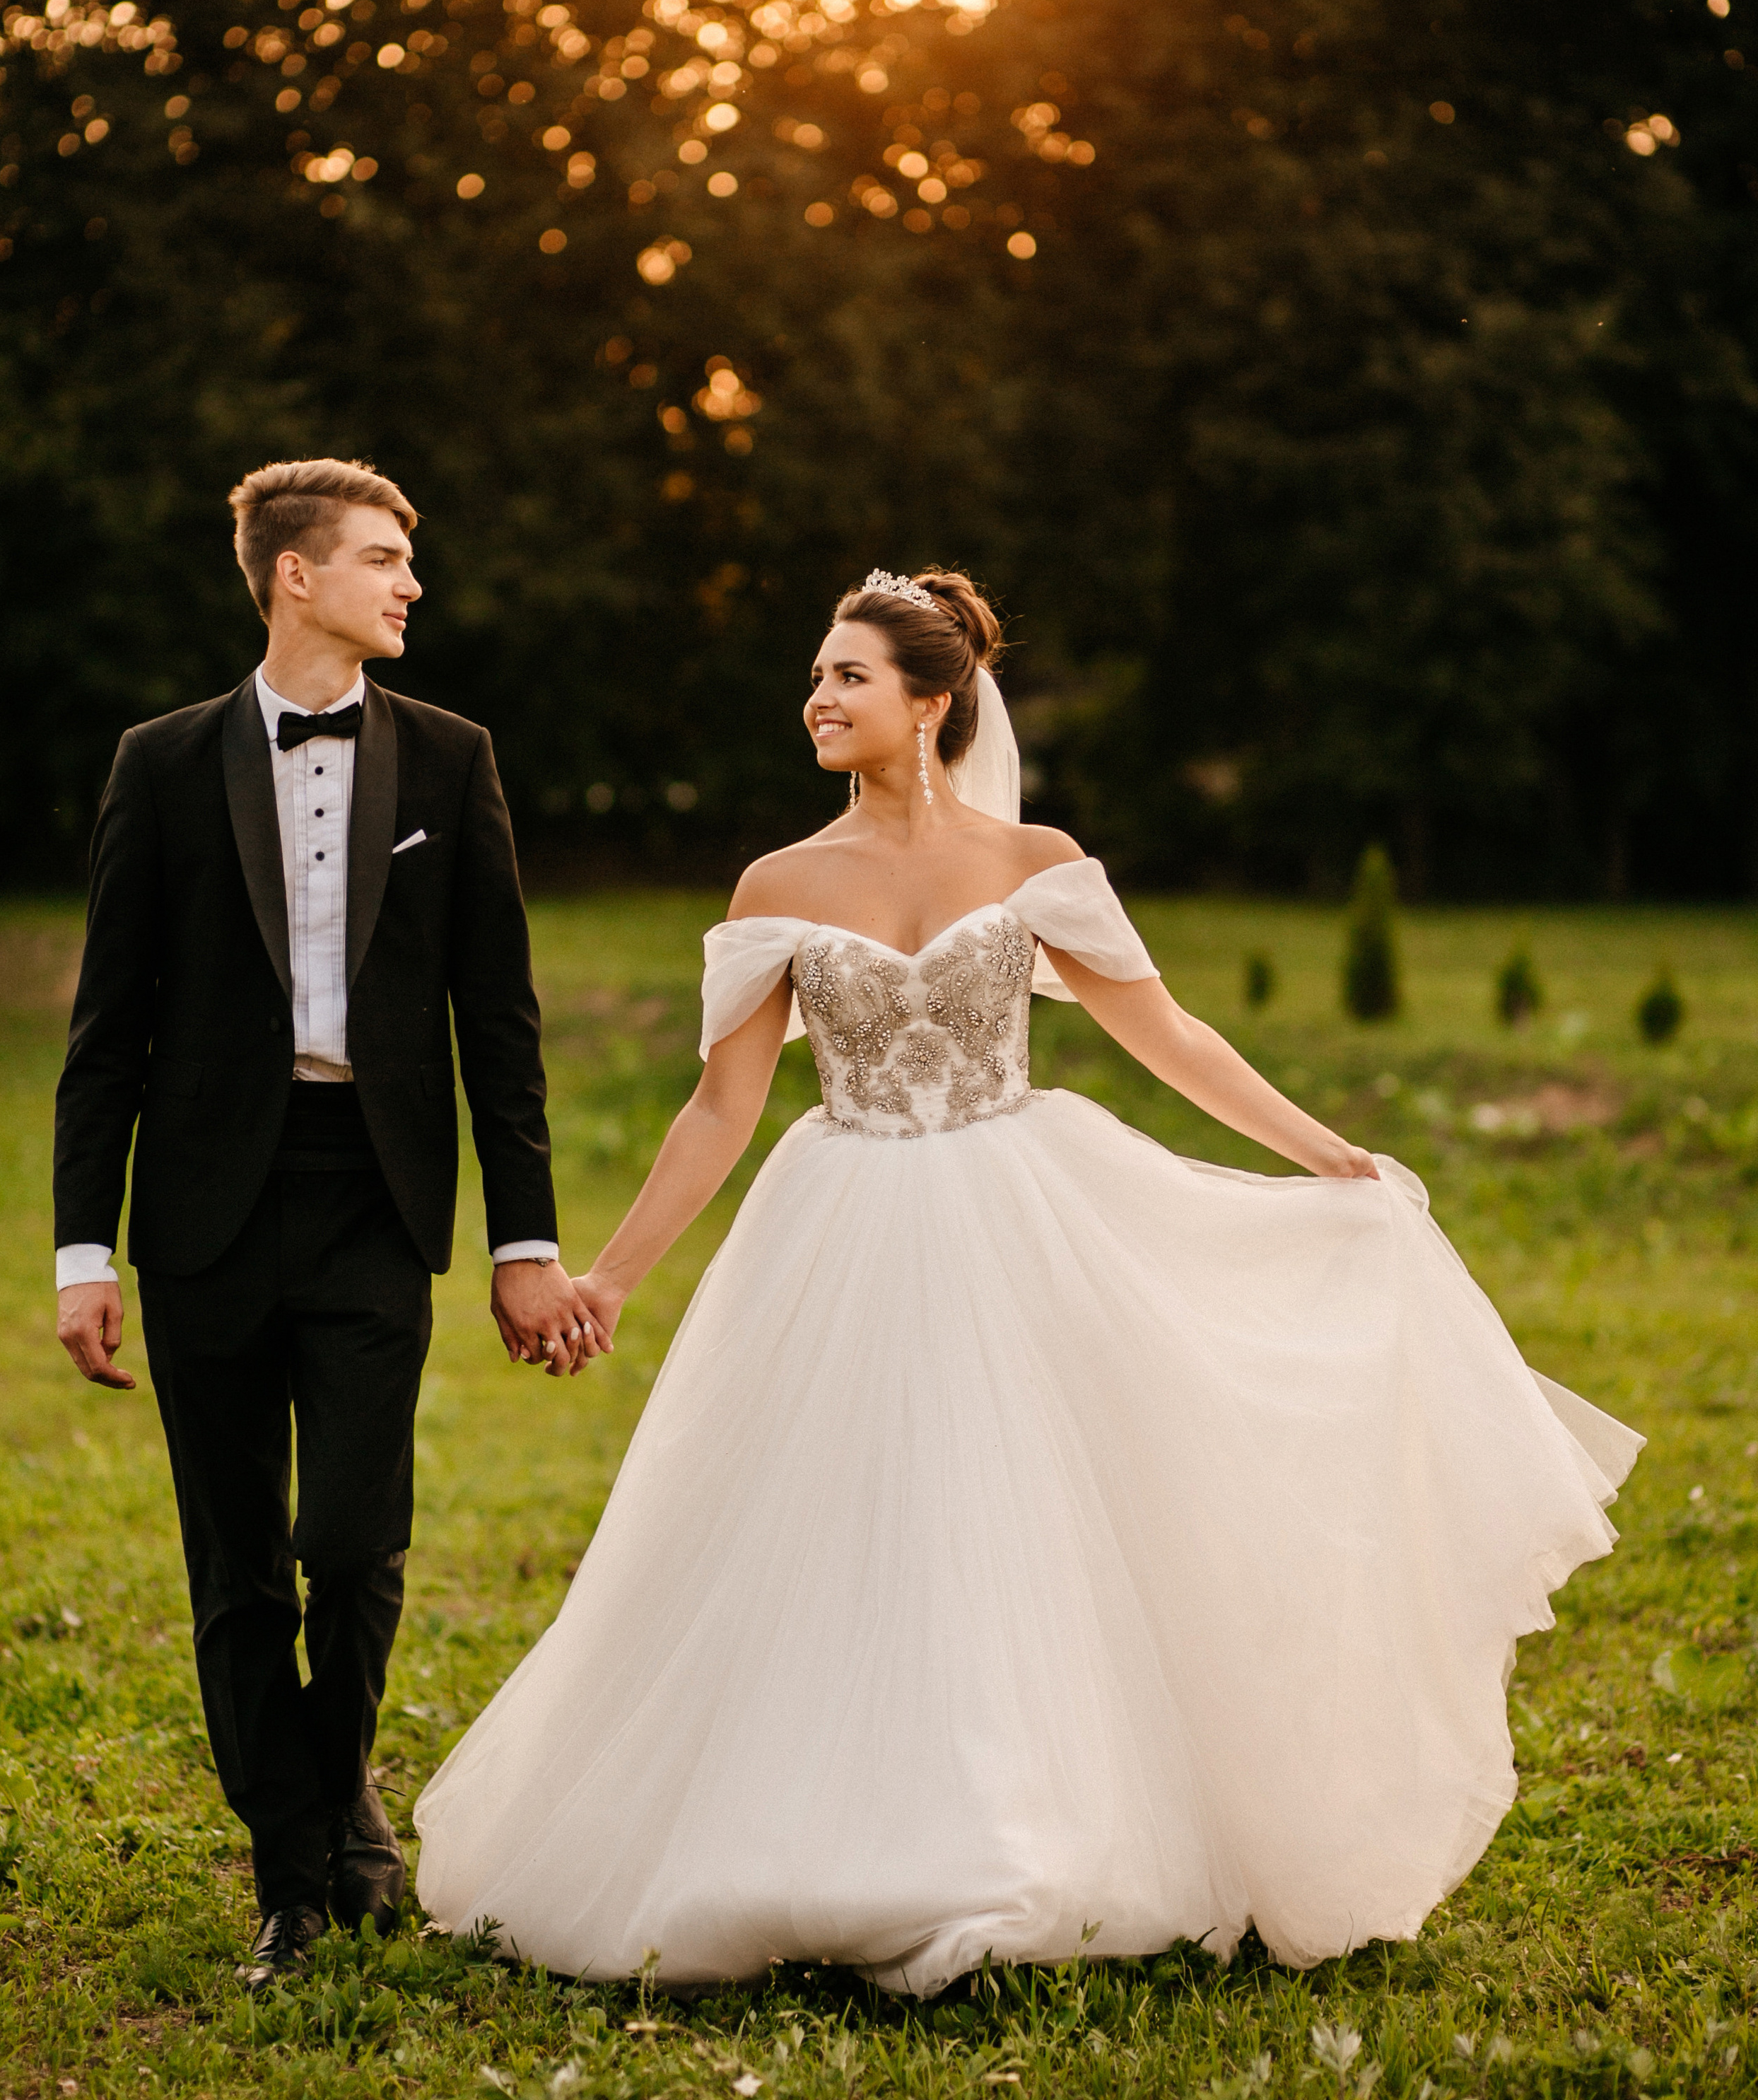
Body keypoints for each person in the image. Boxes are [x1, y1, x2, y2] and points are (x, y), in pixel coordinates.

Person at [414, 566, 1641, 1994]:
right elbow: (718, 1108)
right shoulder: (777, 886)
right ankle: (826, 1819)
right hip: (844, 1220)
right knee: (842, 1517)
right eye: (813, 677)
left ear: (932, 704)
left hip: (1019, 1208)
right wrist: (613, 1279)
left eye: (848, 677)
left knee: (1031, 1521)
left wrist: (1328, 1158)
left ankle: (1024, 1832)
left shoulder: (1035, 862)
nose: (817, 697)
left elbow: (1166, 1037)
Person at [52, 458, 606, 1993]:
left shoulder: (448, 758)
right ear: (294, 576)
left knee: (353, 1539)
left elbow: (500, 1021)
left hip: (374, 1198)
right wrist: (83, 1253)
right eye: (381, 559)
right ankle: (296, 1874)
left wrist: (523, 1241)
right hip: (206, 1213)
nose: (409, 584)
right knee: (236, 1563)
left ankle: (341, 1794)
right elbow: (107, 1034)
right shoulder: (161, 765)